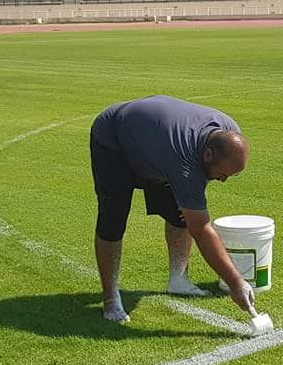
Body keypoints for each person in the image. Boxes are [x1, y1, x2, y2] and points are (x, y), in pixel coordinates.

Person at [90, 95, 256, 323]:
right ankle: (110, 299)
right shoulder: (184, 160)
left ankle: (178, 280)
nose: (224, 181)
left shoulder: (229, 132)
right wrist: (236, 282)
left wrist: (190, 201)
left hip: (155, 144)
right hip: (113, 139)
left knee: (182, 214)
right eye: (224, 174)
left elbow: (193, 207)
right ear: (208, 155)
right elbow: (201, 228)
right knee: (113, 220)